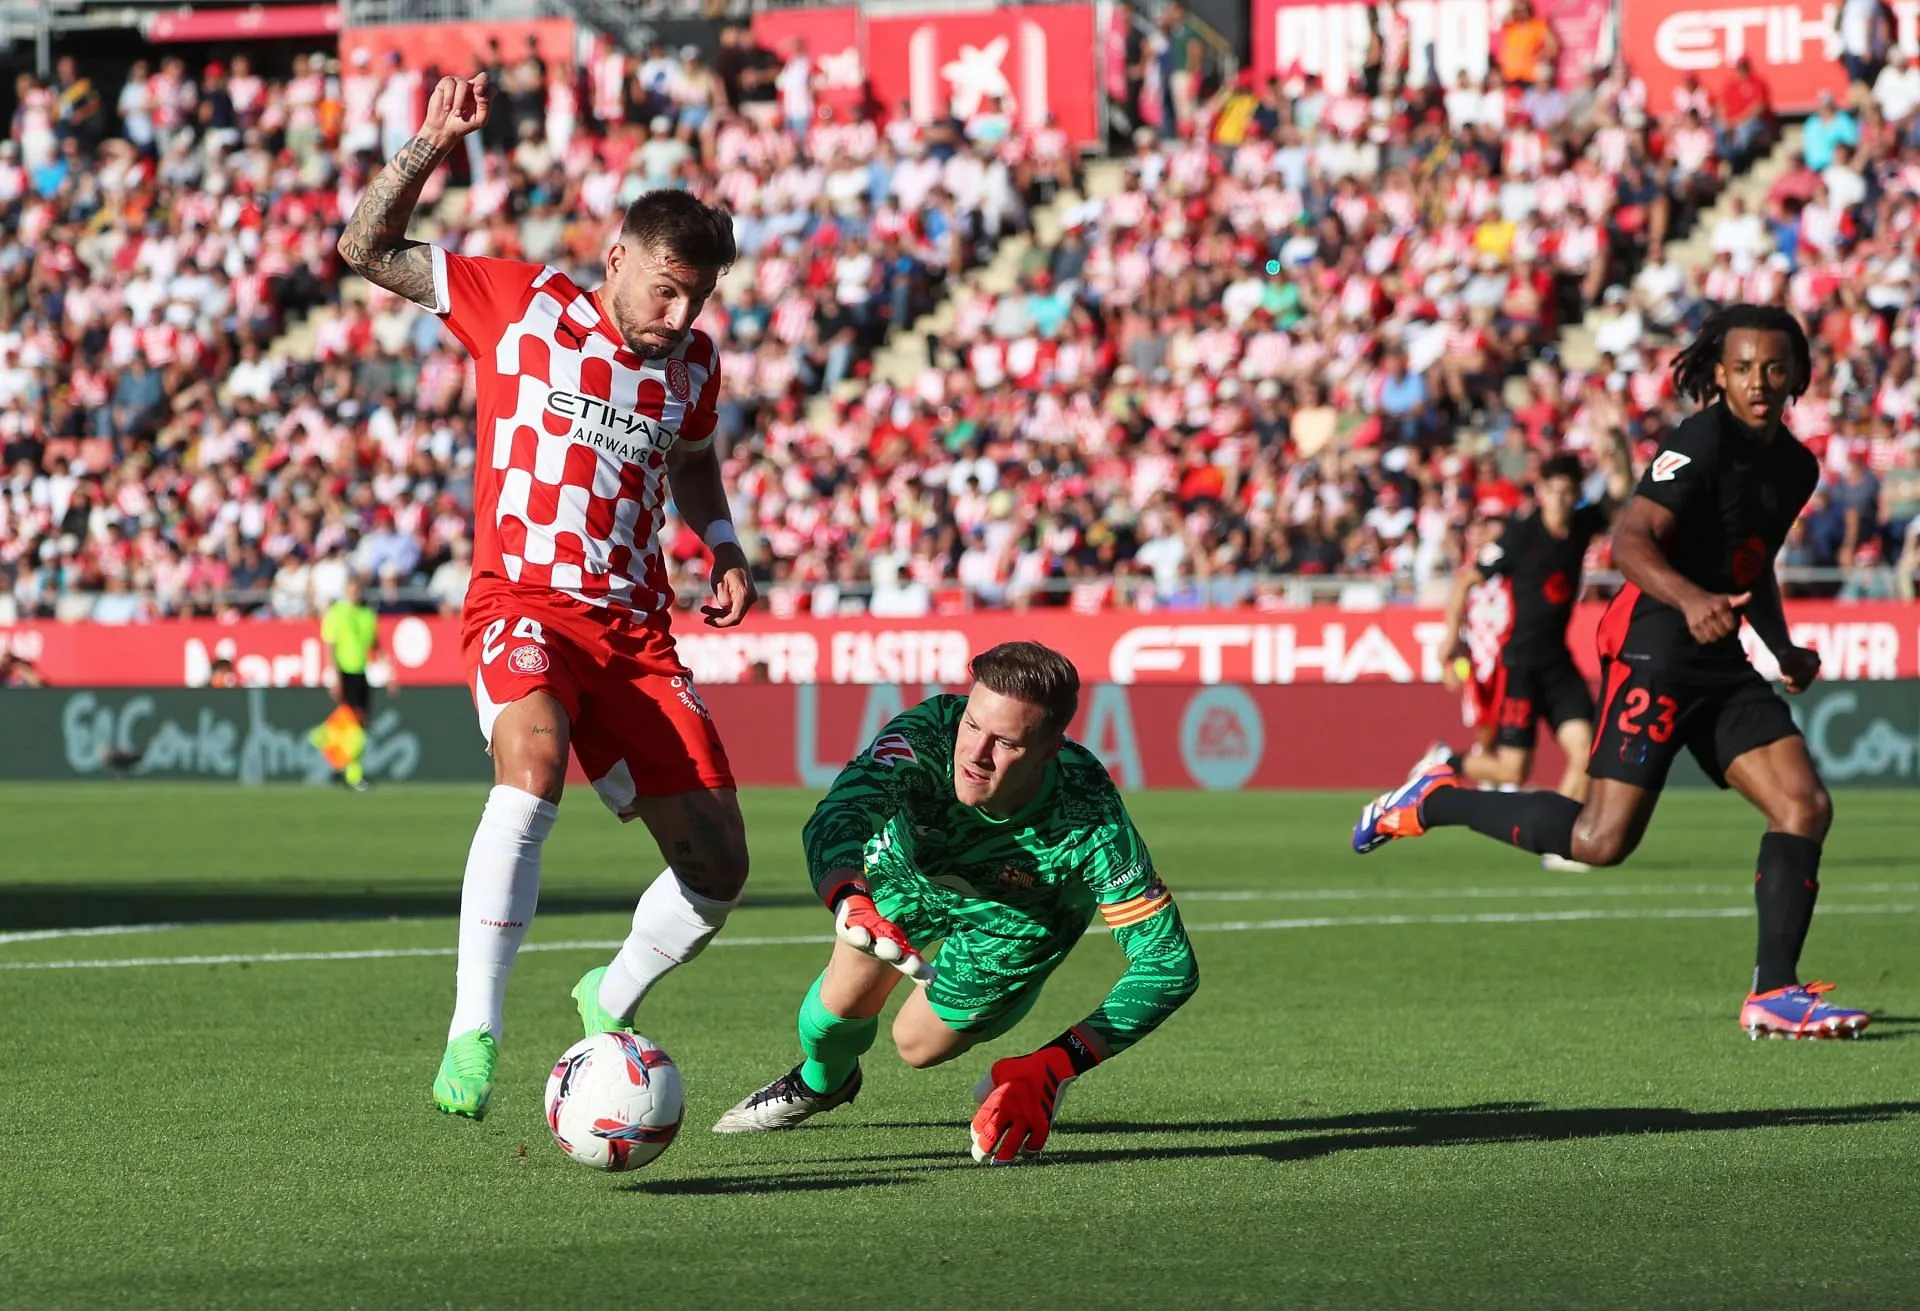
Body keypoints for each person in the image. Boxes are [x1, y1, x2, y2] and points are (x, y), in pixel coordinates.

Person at [337, 71, 759, 1121]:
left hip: (634, 631)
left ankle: (605, 996)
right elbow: (363, 250)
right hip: (520, 602)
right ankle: (473, 1031)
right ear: (614, 260)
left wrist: (721, 541)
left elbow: (696, 463)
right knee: (531, 767)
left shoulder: (693, 365)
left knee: (719, 868)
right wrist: (432, 144)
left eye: (696, 297)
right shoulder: (522, 304)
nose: (679, 312)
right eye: (665, 288)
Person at [1353, 306, 1868, 1041]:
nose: (1759, 381)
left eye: (1774, 367)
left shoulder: (1797, 465)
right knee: (1601, 840)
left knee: (1804, 805)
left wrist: (1780, 647)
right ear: (1718, 374)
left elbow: (1755, 564)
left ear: (1798, 375)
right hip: (1655, 644)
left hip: (1719, 657)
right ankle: (1437, 800)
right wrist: (1691, 601)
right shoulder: (1698, 440)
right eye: (1744, 367)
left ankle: (1775, 991)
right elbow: (1629, 543)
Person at [711, 643, 1199, 1164]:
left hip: (1017, 918)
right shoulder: (928, 732)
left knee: (915, 1046)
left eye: (1006, 742)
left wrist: (1056, 1064)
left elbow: (1168, 966)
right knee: (829, 1018)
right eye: (973, 726)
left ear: (1049, 749)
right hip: (911, 872)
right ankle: (821, 1084)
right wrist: (851, 898)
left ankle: (1019, 1031)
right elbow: (841, 813)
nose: (974, 753)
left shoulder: (1091, 818)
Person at [1420, 441, 1635, 865]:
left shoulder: (1582, 524)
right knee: (1512, 772)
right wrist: (1451, 637)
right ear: (1541, 491)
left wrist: (1614, 436)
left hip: (1558, 664)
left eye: (1566, 489)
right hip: (1520, 664)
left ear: (1575, 492)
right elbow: (1465, 580)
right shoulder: (1520, 535)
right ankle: (1447, 759)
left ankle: (1565, 842)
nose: (1558, 497)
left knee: (1588, 749)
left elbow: (1621, 486)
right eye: (1551, 488)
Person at [315, 573, 386, 791]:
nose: (355, 593)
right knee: (353, 723)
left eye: (358, 589)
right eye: (352, 589)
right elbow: (329, 644)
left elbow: (374, 643)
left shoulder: (366, 614)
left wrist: (388, 670)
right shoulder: (337, 612)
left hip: (361, 672)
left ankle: (342, 766)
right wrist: (332, 674)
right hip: (344, 671)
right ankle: (353, 774)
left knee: (360, 723)